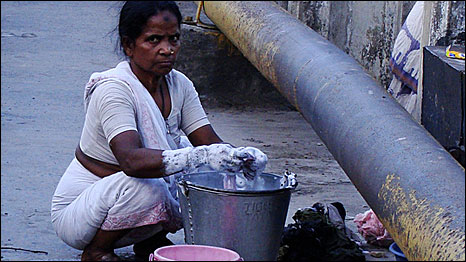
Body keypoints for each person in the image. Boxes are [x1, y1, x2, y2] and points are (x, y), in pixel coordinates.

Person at [50, 1, 268, 261]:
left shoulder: (180, 85)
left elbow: (207, 140)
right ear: (129, 45)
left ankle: (150, 240)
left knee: (204, 168)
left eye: (173, 39)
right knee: (157, 181)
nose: (167, 50)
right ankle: (97, 250)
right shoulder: (114, 90)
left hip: (131, 194)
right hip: (81, 213)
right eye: (153, 40)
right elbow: (131, 161)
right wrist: (201, 155)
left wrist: (241, 156)